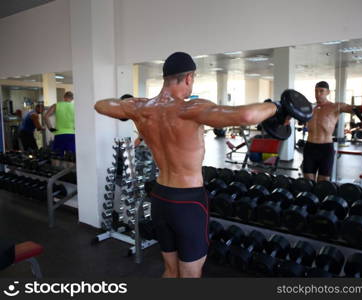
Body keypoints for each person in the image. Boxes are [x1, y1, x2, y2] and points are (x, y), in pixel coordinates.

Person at [94, 52, 308, 278]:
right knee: (190, 273)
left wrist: (127, 109)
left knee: (170, 269)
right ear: (188, 78)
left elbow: (101, 105)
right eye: (192, 80)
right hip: (188, 202)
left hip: (160, 197)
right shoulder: (190, 109)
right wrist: (277, 106)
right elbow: (245, 116)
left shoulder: (140, 108)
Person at [303, 81, 362, 182]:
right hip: (309, 147)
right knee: (308, 180)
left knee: (323, 181)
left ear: (328, 92)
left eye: (321, 91)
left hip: (325, 148)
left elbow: (353, 109)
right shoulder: (310, 108)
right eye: (316, 91)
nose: (318, 94)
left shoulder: (335, 106)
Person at [44, 91, 76, 156]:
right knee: (72, 156)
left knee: (58, 156)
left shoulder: (56, 105)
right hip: (72, 134)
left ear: (64, 97)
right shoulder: (75, 107)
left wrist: (50, 128)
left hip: (59, 133)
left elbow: (46, 116)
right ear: (72, 99)